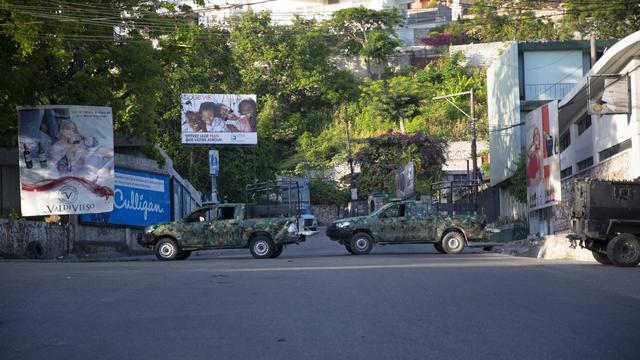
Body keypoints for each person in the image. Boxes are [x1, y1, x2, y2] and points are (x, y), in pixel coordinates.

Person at [48, 119, 114, 177]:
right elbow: (60, 169)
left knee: (103, 150)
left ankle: (112, 170)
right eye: (67, 129)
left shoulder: (75, 142)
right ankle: (107, 172)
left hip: (85, 168)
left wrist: (81, 134)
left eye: (73, 130)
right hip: (74, 175)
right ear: (61, 130)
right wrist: (72, 156)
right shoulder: (56, 147)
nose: (71, 132)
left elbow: (93, 143)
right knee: (104, 167)